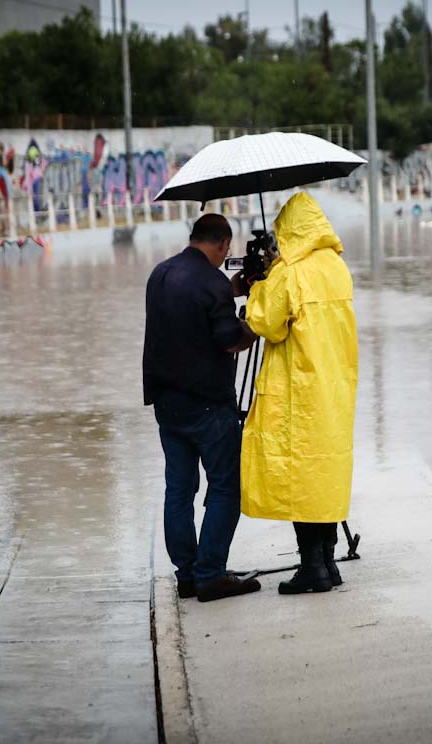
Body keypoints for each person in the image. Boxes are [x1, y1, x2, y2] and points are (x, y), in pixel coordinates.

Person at [240, 191, 359, 594]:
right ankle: (327, 562)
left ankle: (313, 568)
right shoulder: (336, 267)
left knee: (301, 475)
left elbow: (265, 323)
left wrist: (261, 285)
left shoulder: (290, 273)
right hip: (334, 388)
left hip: (298, 390)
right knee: (325, 471)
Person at [143, 213, 260, 602]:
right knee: (226, 487)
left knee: (179, 489)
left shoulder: (160, 274)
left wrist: (228, 291)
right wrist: (255, 324)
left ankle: (188, 575)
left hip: (167, 403)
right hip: (209, 406)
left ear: (193, 237)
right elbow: (228, 339)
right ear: (225, 244)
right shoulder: (212, 284)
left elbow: (187, 316)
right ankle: (211, 574)